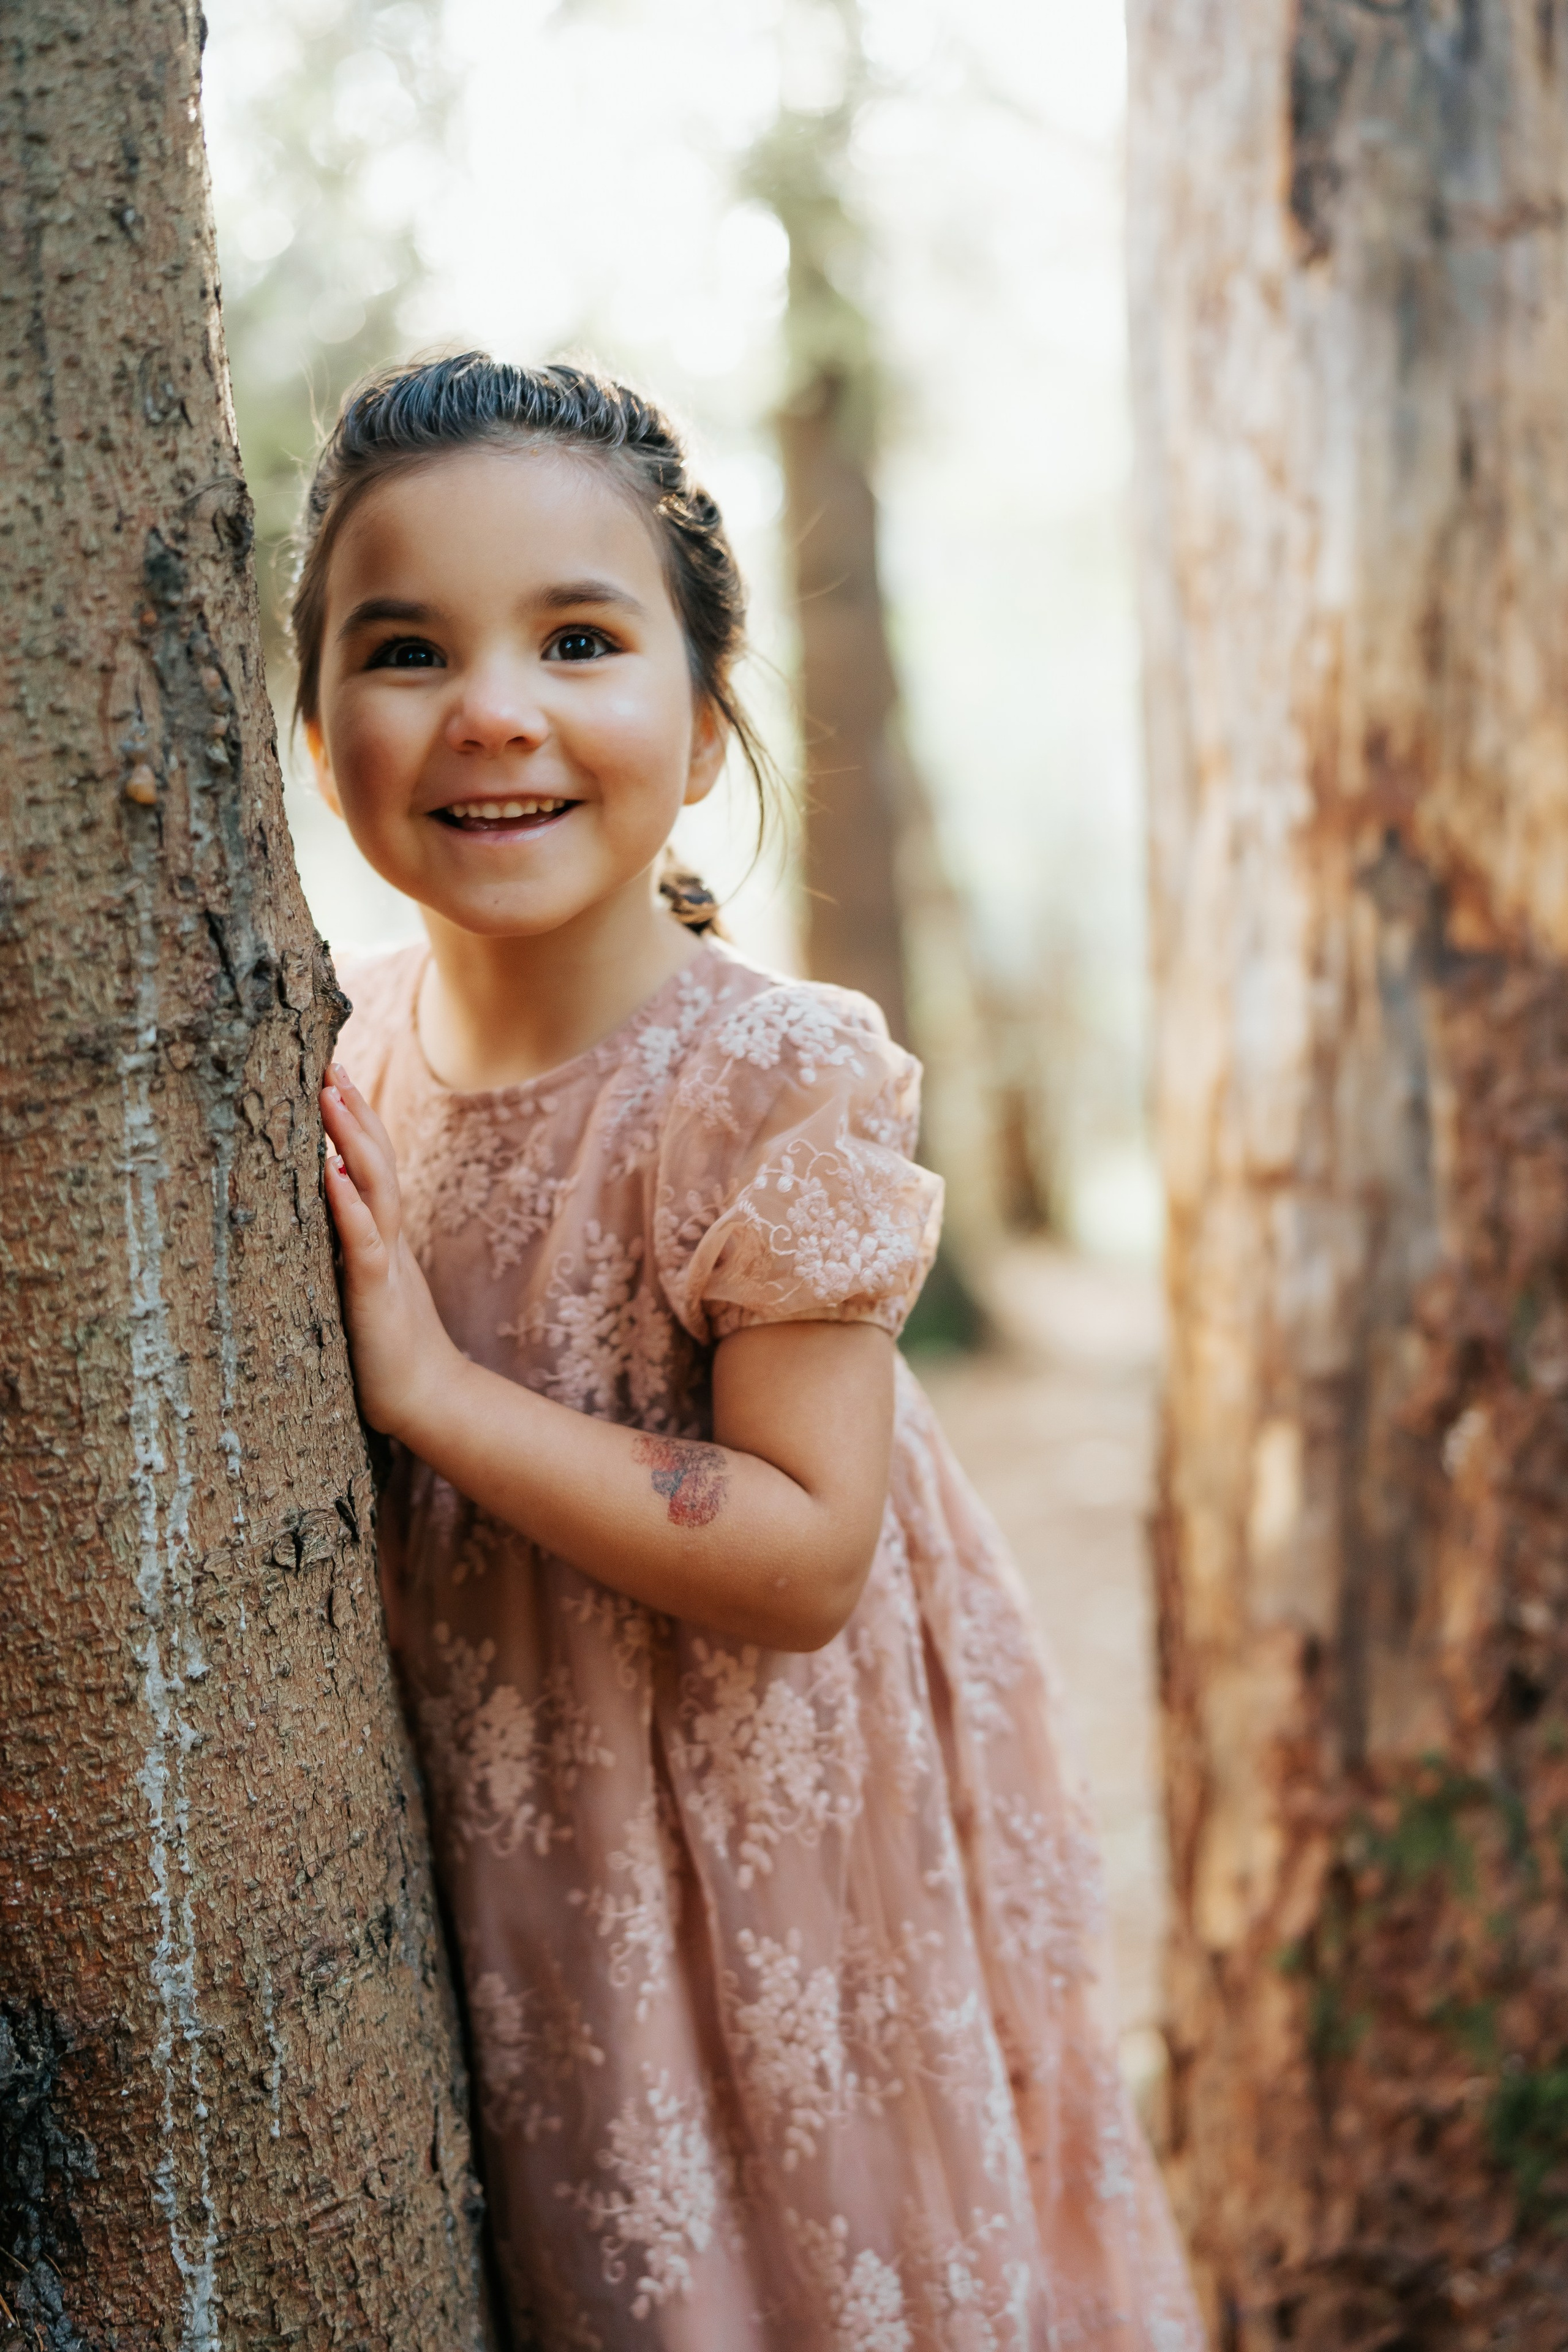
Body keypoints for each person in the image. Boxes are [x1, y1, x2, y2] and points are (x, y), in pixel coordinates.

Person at [303, 352, 1200, 2350]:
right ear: (310, 719)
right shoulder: (337, 1051)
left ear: (705, 727)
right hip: (528, 1836)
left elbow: (806, 1557)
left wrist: (436, 1396)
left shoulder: (765, 1080)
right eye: (405, 647)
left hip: (767, 1837)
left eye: (578, 636)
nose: (494, 709)